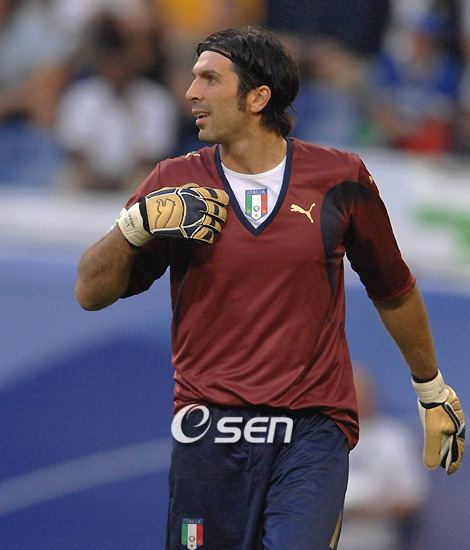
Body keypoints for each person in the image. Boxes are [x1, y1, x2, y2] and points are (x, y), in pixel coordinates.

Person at [75, 26, 465, 550]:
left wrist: (431, 390)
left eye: (210, 79)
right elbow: (89, 292)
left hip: (312, 432)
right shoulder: (171, 180)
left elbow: (393, 289)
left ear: (258, 97)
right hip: (209, 432)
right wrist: (134, 225)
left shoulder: (341, 177)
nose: (190, 93)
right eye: (193, 79)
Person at [340, 365, 429, 550]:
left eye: (359, 392)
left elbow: (412, 498)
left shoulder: (394, 438)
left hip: (376, 540)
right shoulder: (319, 439)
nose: (354, 398)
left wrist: (366, 510)